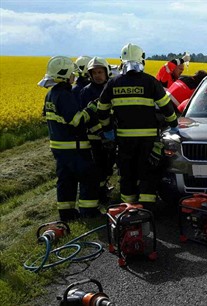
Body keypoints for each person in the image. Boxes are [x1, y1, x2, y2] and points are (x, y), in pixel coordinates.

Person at [97, 43, 179, 212]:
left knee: (127, 174)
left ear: (122, 61)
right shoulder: (150, 82)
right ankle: (147, 209)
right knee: (147, 173)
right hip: (148, 140)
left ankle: (127, 211)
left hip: (124, 139)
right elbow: (166, 107)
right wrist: (174, 125)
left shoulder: (114, 83)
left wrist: (107, 130)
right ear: (142, 60)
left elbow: (102, 109)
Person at [38, 56, 100, 221]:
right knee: (89, 178)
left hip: (59, 147)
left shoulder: (51, 94)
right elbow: (76, 121)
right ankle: (89, 212)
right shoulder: (65, 95)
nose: (74, 77)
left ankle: (67, 214)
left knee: (66, 181)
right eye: (72, 74)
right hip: (74, 147)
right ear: (64, 76)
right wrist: (91, 109)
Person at [80, 57, 115, 203]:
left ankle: (104, 188)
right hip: (95, 139)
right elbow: (86, 118)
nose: (97, 75)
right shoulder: (86, 92)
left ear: (106, 72)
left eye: (100, 72)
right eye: (94, 73)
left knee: (109, 166)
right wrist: (101, 133)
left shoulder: (112, 88)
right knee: (99, 168)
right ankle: (100, 195)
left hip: (113, 135)